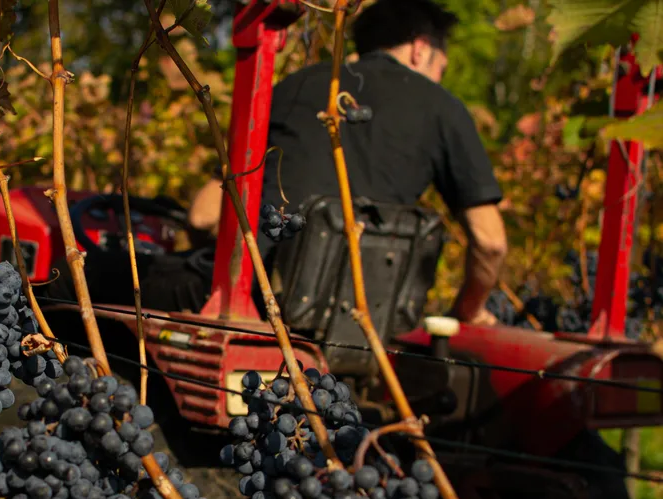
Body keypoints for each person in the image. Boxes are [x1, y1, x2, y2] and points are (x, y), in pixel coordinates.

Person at [187, 0, 507, 326]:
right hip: (360, 331)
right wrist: (468, 311)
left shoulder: (293, 87)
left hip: (254, 314)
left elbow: (203, 215)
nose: (439, 78)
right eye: (443, 67)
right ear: (420, 49)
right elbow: (490, 242)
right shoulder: (444, 109)